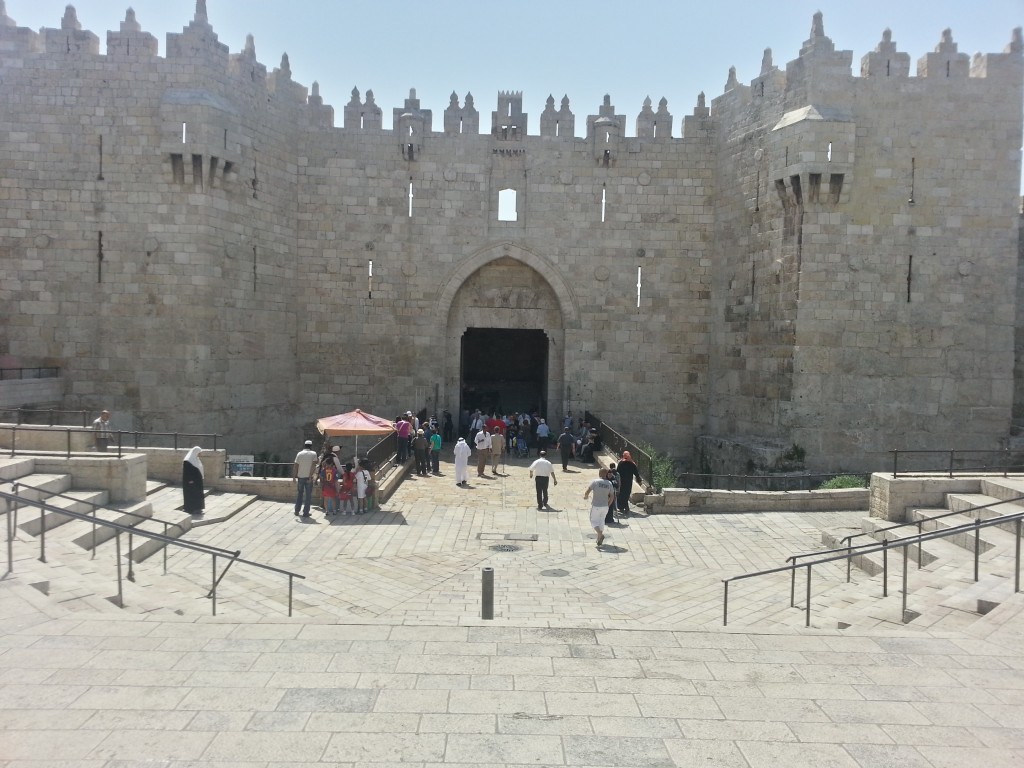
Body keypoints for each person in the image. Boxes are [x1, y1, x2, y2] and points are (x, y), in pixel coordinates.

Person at [584, 468, 615, 547]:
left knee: (593, 521)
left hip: (596, 505)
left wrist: (586, 496)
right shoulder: (609, 483)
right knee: (601, 521)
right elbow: (612, 496)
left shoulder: (595, 482)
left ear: (600, 473)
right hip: (605, 506)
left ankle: (600, 534)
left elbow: (588, 490)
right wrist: (608, 504)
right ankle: (598, 539)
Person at [293, 439, 318, 517]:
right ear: (311, 446)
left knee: (299, 494)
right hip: (308, 477)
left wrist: (294, 476)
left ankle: (297, 510)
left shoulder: (299, 454)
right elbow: (313, 465)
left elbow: (296, 466)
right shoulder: (314, 454)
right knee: (308, 495)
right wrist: (311, 476)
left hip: (300, 477)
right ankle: (306, 512)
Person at [616, 451, 644, 515]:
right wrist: (639, 480)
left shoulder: (621, 463)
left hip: (621, 481)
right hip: (628, 481)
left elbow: (617, 472)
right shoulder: (632, 464)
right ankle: (625, 507)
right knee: (626, 494)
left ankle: (622, 507)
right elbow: (636, 473)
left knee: (621, 494)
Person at [182, 446, 205, 514]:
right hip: (191, 482)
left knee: (198, 494)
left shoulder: (196, 459)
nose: (200, 454)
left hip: (197, 481)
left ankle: (198, 508)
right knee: (191, 495)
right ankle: (190, 508)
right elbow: (187, 472)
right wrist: (190, 480)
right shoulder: (187, 461)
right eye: (199, 453)